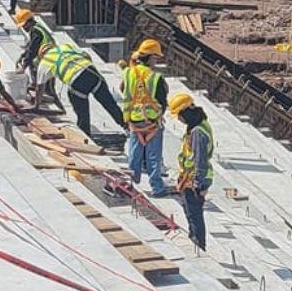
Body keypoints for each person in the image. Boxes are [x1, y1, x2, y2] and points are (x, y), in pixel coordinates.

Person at [34, 42, 126, 140]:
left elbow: (39, 88)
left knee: (82, 113)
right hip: (93, 73)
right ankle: (126, 125)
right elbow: (86, 55)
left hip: (77, 81)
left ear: (41, 55)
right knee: (110, 104)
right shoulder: (65, 46)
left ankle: (86, 137)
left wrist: (37, 106)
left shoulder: (45, 61)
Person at [122, 38, 170, 198]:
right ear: (149, 58)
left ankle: (131, 180)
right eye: (155, 58)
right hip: (151, 122)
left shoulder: (129, 72)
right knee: (153, 156)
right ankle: (157, 187)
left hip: (133, 119)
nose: (156, 61)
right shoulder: (155, 77)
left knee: (134, 152)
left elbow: (124, 89)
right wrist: (159, 114)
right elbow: (162, 100)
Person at [170, 92, 214, 250]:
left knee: (194, 214)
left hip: (196, 178)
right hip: (191, 177)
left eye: (179, 115)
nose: (179, 120)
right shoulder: (200, 123)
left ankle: (198, 245)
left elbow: (199, 159)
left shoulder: (197, 133)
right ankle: (195, 240)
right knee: (191, 212)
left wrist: (198, 184)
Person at [14, 8, 54, 84]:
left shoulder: (36, 32)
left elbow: (33, 50)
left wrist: (23, 66)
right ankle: (35, 85)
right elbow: (30, 45)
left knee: (46, 88)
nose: (23, 28)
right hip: (47, 60)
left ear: (29, 22)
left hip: (48, 61)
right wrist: (23, 55)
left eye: (24, 25)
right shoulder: (37, 28)